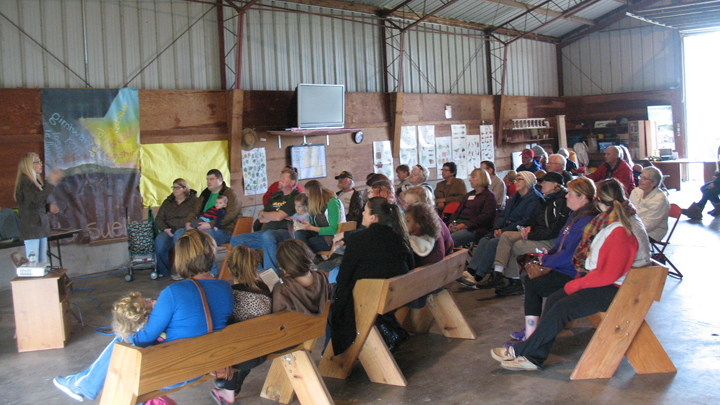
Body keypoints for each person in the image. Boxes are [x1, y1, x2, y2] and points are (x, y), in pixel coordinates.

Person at [53, 230, 233, 401]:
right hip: (205, 365)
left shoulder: (174, 292)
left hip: (174, 372)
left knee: (123, 340)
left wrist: (127, 328)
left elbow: (143, 339)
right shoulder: (225, 288)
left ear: (182, 258)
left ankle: (84, 385)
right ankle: (82, 383)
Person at [490, 179, 648, 371]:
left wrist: (575, 284)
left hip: (620, 288)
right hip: (614, 282)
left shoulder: (620, 228)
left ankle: (522, 351)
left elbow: (607, 274)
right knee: (556, 299)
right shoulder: (614, 221)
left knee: (561, 308)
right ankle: (533, 357)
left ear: (599, 201)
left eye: (570, 193)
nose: (566, 196)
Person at [505, 177, 598, 344]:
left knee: (532, 283)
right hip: (565, 267)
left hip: (574, 273)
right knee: (531, 279)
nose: (567, 197)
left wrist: (547, 259)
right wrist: (550, 252)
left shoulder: (586, 220)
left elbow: (572, 255)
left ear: (583, 197)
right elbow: (561, 241)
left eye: (570, 194)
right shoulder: (576, 215)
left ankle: (532, 332)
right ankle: (532, 328)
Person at [329, 197, 415, 356]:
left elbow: (343, 279)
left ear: (373, 218)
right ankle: (391, 329)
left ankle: (335, 356)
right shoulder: (399, 236)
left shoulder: (358, 240)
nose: (362, 213)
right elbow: (410, 265)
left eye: (365, 211)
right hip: (395, 295)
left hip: (368, 298)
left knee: (334, 300)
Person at [491, 172, 571, 296]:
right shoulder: (548, 200)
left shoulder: (559, 203)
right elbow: (538, 219)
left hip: (551, 242)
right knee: (506, 239)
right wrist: (530, 227)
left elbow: (553, 231)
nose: (542, 184)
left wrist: (531, 234)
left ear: (555, 185)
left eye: (545, 182)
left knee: (508, 244)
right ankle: (503, 274)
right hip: (539, 235)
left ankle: (508, 278)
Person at [460, 171, 543, 289]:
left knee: (493, 243)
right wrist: (497, 228)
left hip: (521, 230)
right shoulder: (516, 196)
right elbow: (503, 214)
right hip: (506, 228)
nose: (516, 182)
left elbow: (526, 221)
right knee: (485, 239)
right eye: (515, 179)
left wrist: (504, 230)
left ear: (528, 182)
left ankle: (479, 276)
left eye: (519, 179)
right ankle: (471, 271)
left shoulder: (534, 199)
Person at [211, 245, 272, 404]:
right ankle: (231, 385)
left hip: (239, 356)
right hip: (262, 350)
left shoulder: (230, 294)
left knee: (225, 341)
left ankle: (228, 389)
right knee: (246, 339)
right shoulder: (264, 288)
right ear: (255, 268)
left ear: (231, 269)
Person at [173, 169, 241, 277]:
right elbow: (195, 210)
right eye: (207, 179)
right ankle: (184, 269)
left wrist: (210, 225)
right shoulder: (205, 193)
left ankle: (211, 272)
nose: (208, 182)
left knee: (206, 236)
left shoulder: (230, 194)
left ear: (220, 180)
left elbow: (230, 215)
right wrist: (188, 223)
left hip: (224, 229)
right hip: (201, 225)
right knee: (179, 234)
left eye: (211, 179)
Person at [231, 167, 299, 271]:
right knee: (236, 240)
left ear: (292, 182)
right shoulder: (276, 195)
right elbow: (261, 217)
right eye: (280, 178)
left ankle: (271, 273)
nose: (280, 180)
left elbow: (278, 217)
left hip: (286, 232)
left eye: (284, 178)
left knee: (267, 236)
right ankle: (259, 271)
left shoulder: (296, 196)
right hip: (268, 231)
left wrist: (270, 215)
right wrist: (271, 215)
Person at [14, 152, 63, 263]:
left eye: (40, 161)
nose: (41, 164)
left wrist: (48, 207)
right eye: (37, 162)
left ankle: (42, 280)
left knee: (43, 262)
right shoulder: (25, 181)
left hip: (39, 227)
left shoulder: (34, 182)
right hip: (32, 228)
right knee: (34, 262)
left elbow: (34, 204)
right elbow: (37, 199)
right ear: (28, 165)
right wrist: (51, 183)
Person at [272, 239, 333, 315]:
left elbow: (277, 318)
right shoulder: (322, 276)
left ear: (284, 266)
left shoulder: (282, 288)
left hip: (299, 326)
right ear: (308, 255)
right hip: (324, 324)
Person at [154, 178, 198, 277]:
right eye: (173, 187)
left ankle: (182, 270)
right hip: (169, 230)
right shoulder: (168, 202)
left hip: (185, 229)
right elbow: (159, 219)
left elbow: (198, 215)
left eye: (177, 187)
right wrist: (165, 229)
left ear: (185, 189)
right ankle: (163, 271)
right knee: (159, 242)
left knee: (179, 237)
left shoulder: (193, 201)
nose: (174, 190)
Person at [447, 168, 497, 247]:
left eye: (473, 177)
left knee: (451, 239)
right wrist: (452, 223)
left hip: (474, 228)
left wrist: (464, 225)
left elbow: (485, 217)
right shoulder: (469, 195)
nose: (470, 180)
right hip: (459, 224)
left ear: (481, 179)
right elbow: (457, 212)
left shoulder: (489, 196)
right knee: (441, 236)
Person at [296, 180, 346, 253]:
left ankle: (309, 261)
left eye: (307, 193)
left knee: (303, 245)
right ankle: (311, 260)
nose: (306, 196)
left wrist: (311, 227)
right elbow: (315, 223)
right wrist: (307, 225)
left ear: (314, 194)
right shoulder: (318, 203)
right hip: (321, 234)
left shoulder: (332, 202)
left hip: (333, 237)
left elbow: (334, 230)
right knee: (299, 234)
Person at [405, 202, 453, 267]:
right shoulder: (416, 232)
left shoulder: (434, 234)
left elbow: (438, 256)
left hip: (445, 266)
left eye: (408, 221)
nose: (405, 224)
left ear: (419, 223)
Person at [630, 166, 670, 242]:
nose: (640, 180)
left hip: (652, 232)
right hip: (634, 226)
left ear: (654, 183)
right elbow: (629, 212)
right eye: (641, 177)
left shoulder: (660, 199)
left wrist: (628, 228)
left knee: (621, 238)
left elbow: (648, 225)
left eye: (644, 178)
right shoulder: (636, 191)